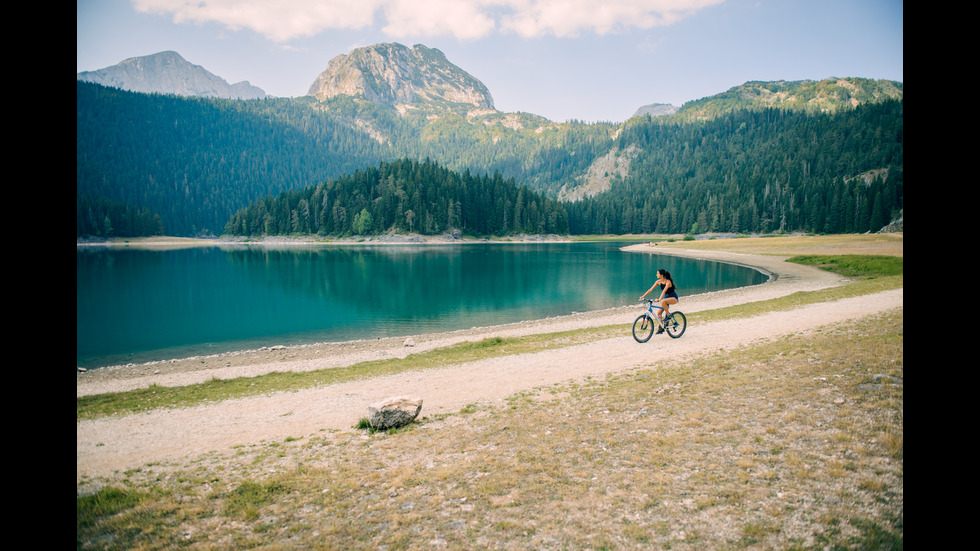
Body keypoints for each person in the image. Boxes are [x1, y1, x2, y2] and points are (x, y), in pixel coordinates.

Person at [640, 269, 679, 334]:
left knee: (663, 301)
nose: (656, 275)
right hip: (666, 298)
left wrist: (659, 299)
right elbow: (650, 290)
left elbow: (663, 291)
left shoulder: (668, 282)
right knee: (659, 313)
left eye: (658, 274)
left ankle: (668, 316)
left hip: (673, 297)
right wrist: (643, 296)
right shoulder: (658, 282)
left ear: (662, 275)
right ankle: (661, 328)